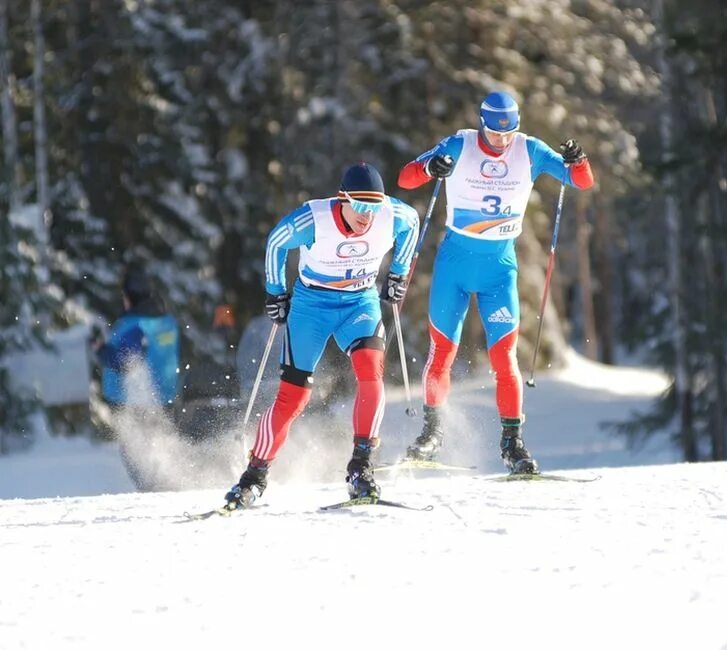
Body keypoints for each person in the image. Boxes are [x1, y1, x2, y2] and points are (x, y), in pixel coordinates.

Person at [397, 90, 594, 474]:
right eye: (495, 134)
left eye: (509, 134)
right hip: (454, 265)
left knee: (505, 357)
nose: (502, 142)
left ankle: (513, 444)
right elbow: (406, 178)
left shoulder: (529, 150)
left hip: (498, 269)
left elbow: (580, 181)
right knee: (443, 353)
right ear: (482, 124)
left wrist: (578, 159)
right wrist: (430, 168)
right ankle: (431, 432)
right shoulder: (460, 143)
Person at [225, 162, 420, 508]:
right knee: (293, 398)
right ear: (342, 199)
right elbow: (276, 243)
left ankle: (361, 467)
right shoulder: (314, 220)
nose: (367, 217)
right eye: (360, 207)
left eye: (374, 208)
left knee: (371, 375)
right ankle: (254, 476)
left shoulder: (392, 216)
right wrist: (275, 292)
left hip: (359, 302)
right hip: (311, 306)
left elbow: (413, 224)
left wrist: (398, 273)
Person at [93, 265, 180, 414]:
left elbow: (126, 361)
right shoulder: (166, 322)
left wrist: (101, 349)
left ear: (132, 297)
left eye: (124, 296)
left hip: (135, 402)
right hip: (164, 397)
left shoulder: (135, 326)